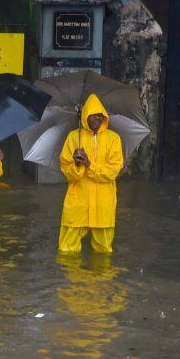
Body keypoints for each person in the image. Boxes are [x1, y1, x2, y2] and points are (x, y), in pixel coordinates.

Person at [58, 93, 123, 254]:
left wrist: (89, 165)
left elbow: (112, 173)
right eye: (93, 115)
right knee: (67, 250)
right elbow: (67, 173)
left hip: (103, 204)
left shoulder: (114, 139)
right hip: (78, 202)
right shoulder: (74, 138)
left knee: (104, 251)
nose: (97, 118)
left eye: (100, 115)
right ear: (85, 116)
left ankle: (100, 272)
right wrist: (76, 165)